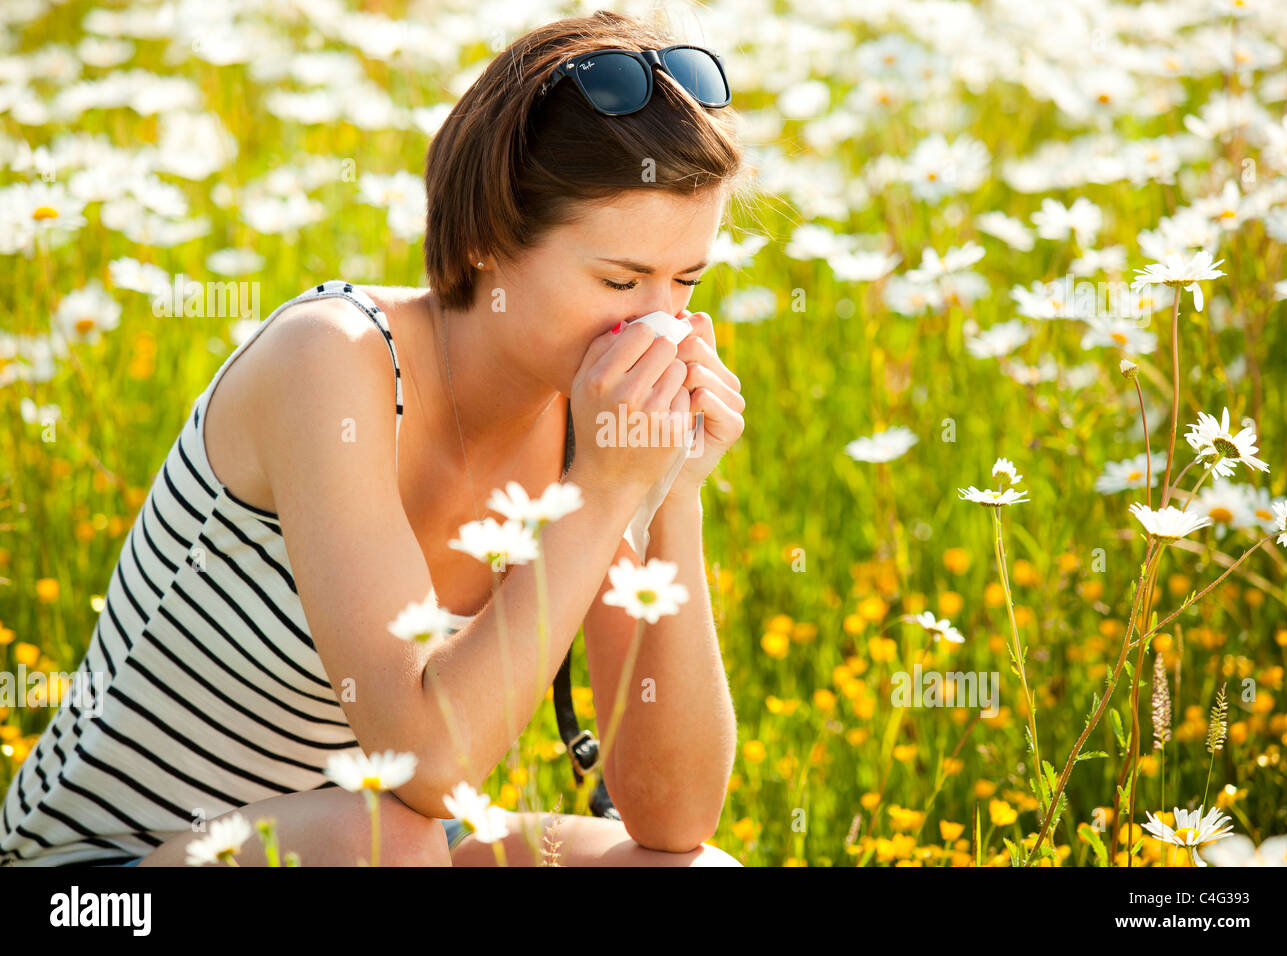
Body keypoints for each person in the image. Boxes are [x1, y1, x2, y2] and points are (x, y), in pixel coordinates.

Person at [0, 9, 748, 867]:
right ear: (486, 242)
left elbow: (673, 815)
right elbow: (426, 768)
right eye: (620, 279)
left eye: (686, 280)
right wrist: (607, 493)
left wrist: (670, 491)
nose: (659, 326)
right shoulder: (334, 359)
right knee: (383, 844)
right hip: (97, 879)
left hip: (391, 846)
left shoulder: (592, 421)